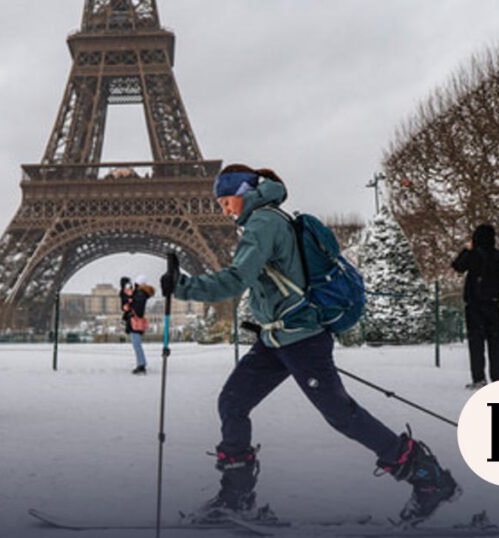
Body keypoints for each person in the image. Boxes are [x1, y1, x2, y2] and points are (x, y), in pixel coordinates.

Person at [160, 164, 458, 525]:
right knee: (232, 403)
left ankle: (428, 478)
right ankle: (237, 496)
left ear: (244, 191)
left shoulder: (263, 222)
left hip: (301, 340)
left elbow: (238, 278)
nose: (225, 210)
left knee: (341, 415)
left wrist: (184, 287)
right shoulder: (265, 220)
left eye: (227, 200)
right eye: (221, 204)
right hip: (276, 338)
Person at [451, 224, 499, 390]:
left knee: (476, 344)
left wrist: (467, 249)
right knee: (496, 344)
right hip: (493, 304)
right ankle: (498, 378)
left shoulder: (473, 255)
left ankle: (479, 378)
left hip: (475, 304)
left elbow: (458, 266)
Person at [126, 275, 154, 374]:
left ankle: (141, 365)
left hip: (135, 322)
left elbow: (138, 310)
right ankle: (141, 363)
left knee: (137, 344)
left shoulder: (139, 294)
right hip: (137, 322)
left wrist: (130, 302)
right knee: (137, 344)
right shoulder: (142, 294)